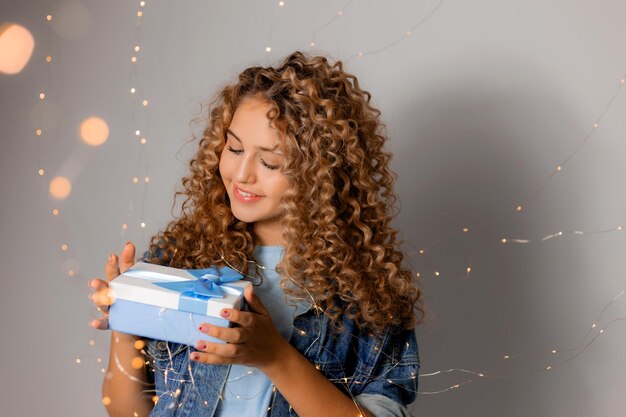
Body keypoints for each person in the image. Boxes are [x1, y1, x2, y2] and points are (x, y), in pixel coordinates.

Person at [89, 51, 424, 417]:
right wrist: (126, 320)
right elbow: (126, 412)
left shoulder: (363, 294)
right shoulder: (181, 256)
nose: (242, 173)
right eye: (233, 148)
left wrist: (275, 356)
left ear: (323, 172)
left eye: (270, 162)